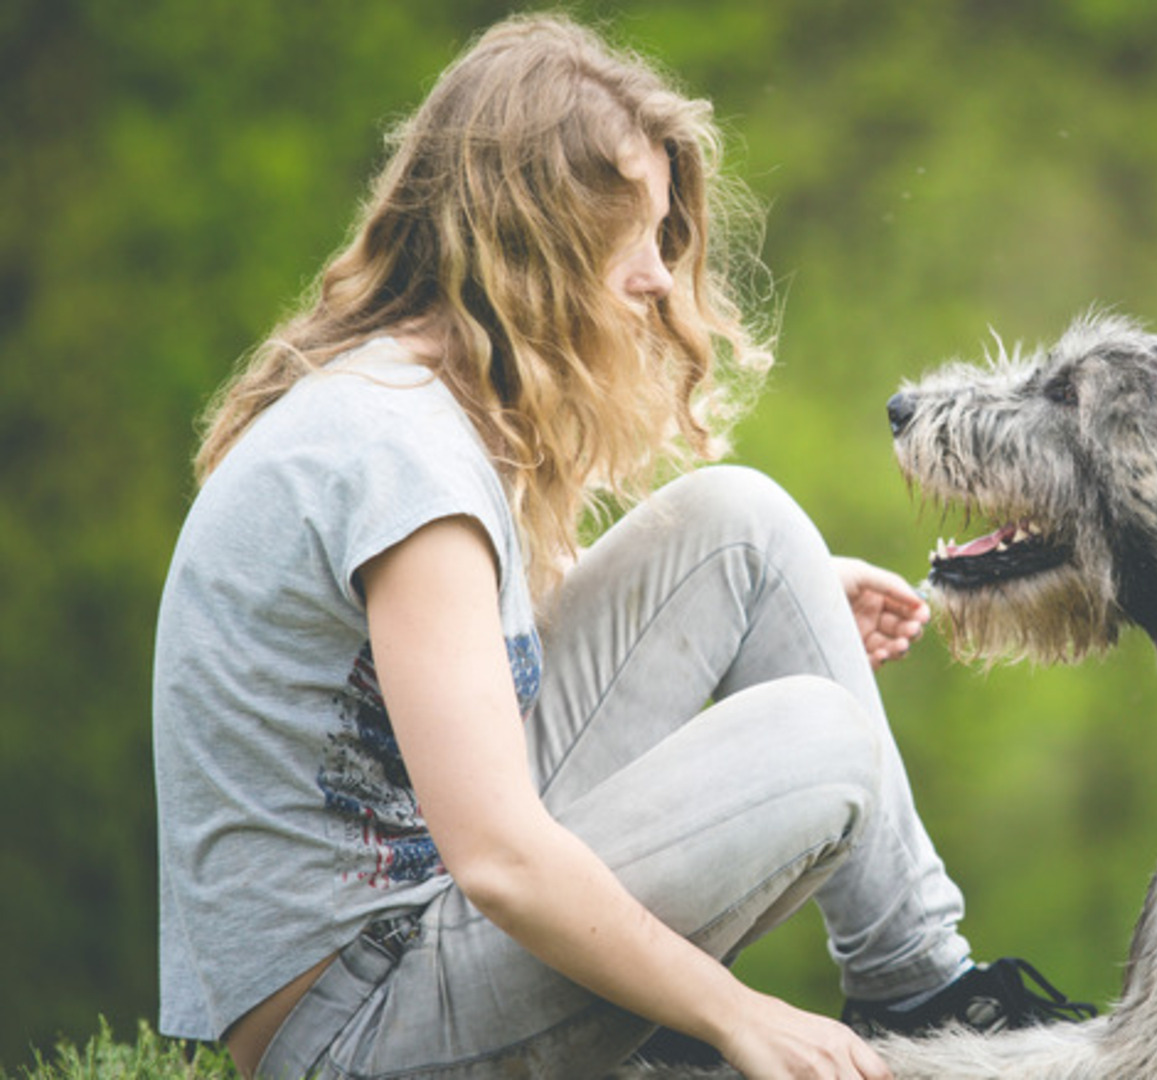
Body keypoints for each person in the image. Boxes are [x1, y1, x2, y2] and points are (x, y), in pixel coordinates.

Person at [151, 14, 1091, 1080]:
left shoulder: (404, 404)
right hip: (359, 1021)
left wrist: (784, 603)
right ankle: (907, 1010)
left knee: (742, 530)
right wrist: (739, 1013)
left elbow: (453, 687)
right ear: (538, 237)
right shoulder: (402, 460)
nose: (657, 276)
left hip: (415, 931)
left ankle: (925, 994)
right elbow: (501, 858)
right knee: (818, 736)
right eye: (635, 234)